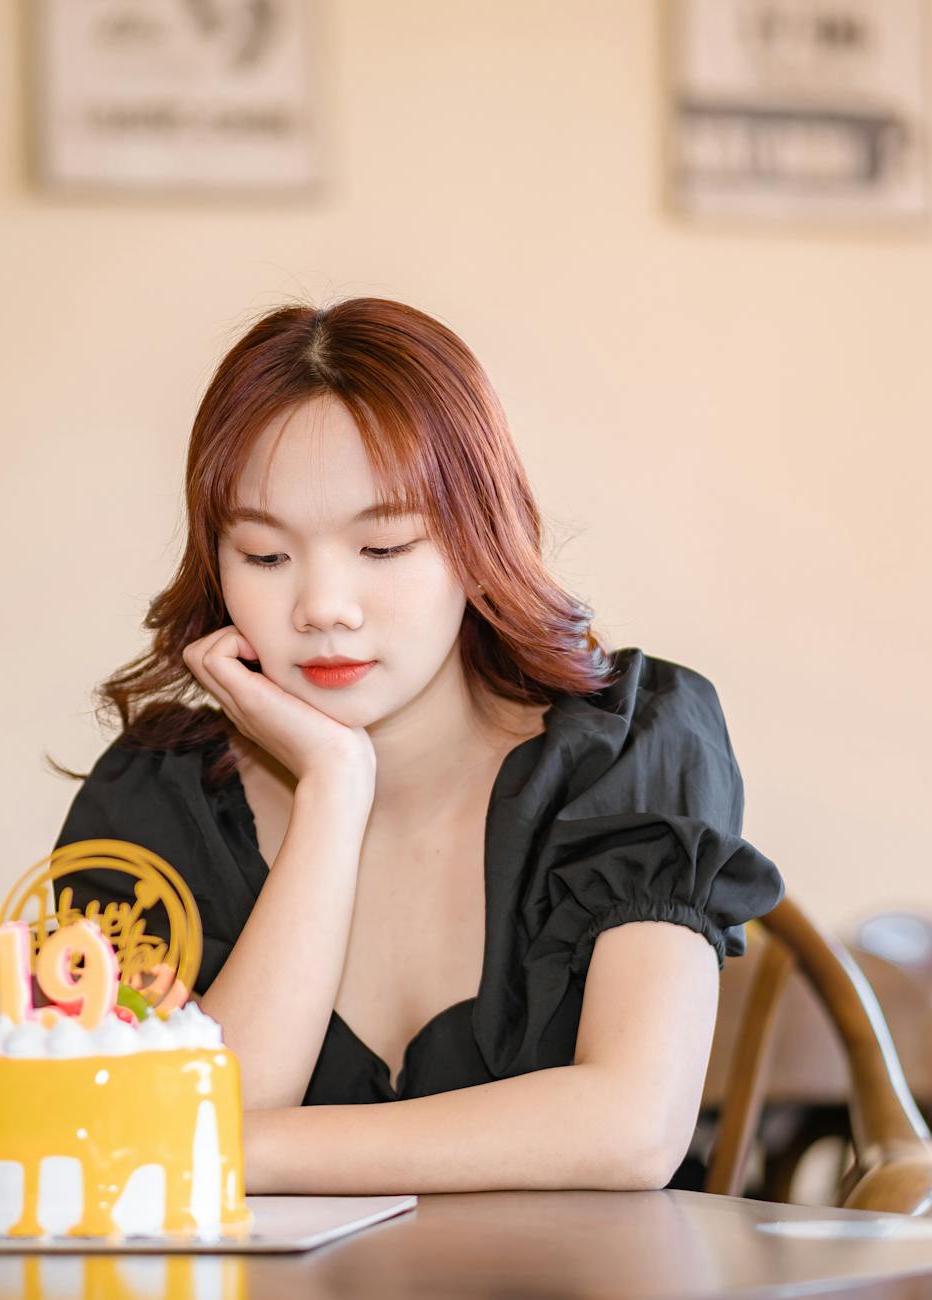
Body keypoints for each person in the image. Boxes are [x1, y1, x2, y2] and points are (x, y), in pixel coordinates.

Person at [54, 297, 783, 1194]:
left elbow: (632, 1129)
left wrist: (225, 1144)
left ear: (477, 540)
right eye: (265, 556)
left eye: (384, 545)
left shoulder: (631, 744)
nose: (323, 605)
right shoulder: (153, 798)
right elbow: (153, 1171)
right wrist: (332, 790)